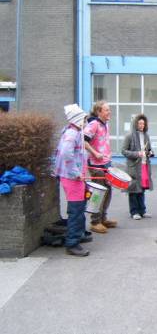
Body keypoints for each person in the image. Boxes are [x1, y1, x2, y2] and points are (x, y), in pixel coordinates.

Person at [54, 104, 90, 256]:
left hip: (75, 177)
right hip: (72, 178)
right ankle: (72, 244)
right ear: (77, 119)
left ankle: (79, 234)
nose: (86, 121)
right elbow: (66, 155)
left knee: (79, 207)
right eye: (84, 119)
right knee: (76, 210)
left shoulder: (74, 132)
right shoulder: (72, 133)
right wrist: (76, 173)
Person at [84, 100, 117, 234]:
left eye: (109, 109)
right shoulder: (93, 124)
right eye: (107, 110)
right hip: (96, 165)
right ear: (99, 112)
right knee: (97, 193)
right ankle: (95, 221)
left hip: (106, 164)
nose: (109, 112)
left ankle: (103, 218)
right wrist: (95, 153)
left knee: (108, 191)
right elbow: (83, 140)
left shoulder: (105, 124)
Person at [122, 114, 154, 220]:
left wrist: (150, 153)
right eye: (140, 123)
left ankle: (142, 211)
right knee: (133, 190)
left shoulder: (146, 135)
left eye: (143, 123)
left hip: (144, 166)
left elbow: (148, 149)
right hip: (134, 166)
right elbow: (124, 151)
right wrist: (137, 154)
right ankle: (134, 212)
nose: (142, 125)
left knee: (142, 189)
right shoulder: (129, 136)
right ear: (135, 124)